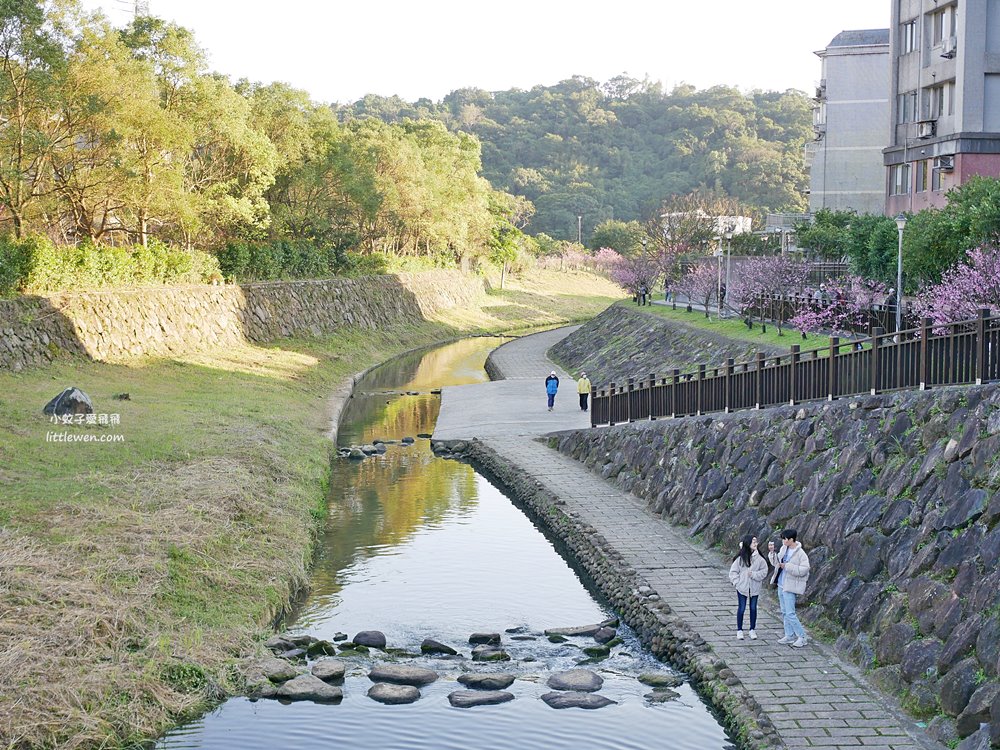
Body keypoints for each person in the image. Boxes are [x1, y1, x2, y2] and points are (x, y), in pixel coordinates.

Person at [768, 528, 811, 648]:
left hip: (791, 586)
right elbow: (776, 563)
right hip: (781, 584)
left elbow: (804, 569)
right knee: (784, 612)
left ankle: (802, 637)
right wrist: (772, 553)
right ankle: (789, 635)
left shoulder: (800, 553)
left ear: (791, 539)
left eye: (785, 539)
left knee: (791, 613)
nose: (783, 541)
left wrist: (787, 566)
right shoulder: (784, 548)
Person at [728, 534, 768, 640]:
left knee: (753, 608)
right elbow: (733, 572)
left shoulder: (760, 559)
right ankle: (739, 630)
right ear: (748, 543)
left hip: (754, 588)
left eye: (756, 542)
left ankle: (752, 629)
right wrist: (737, 583)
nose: (756, 543)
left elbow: (764, 571)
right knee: (741, 608)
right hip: (742, 588)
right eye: (753, 542)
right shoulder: (741, 558)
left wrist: (754, 575)